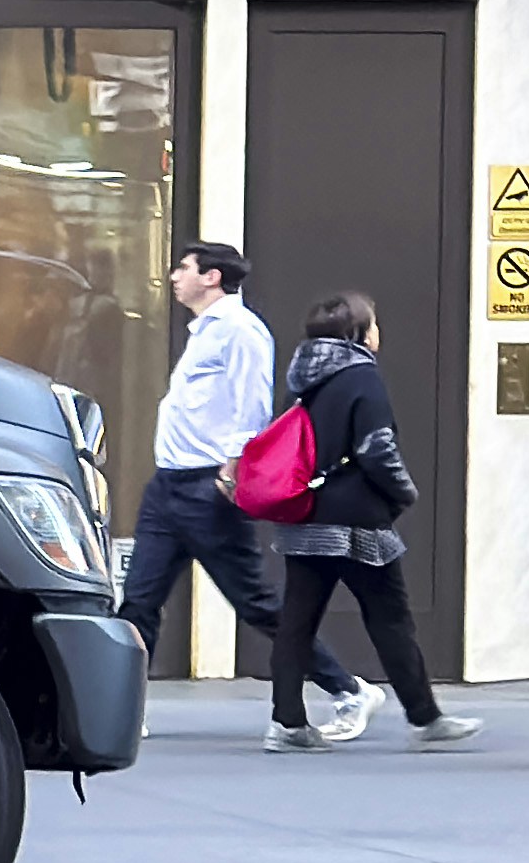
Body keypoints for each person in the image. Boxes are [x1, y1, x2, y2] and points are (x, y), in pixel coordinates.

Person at [124, 239, 360, 722]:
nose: (174, 276)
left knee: (255, 602)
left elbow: (251, 404)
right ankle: (124, 709)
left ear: (211, 277)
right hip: (167, 487)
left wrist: (233, 470)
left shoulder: (240, 331)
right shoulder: (205, 331)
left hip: (207, 487)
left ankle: (347, 688)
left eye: (183, 268)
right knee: (139, 599)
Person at [262, 287, 479, 749]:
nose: (379, 332)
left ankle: (287, 723)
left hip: (306, 514)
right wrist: (404, 492)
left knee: (297, 622)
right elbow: (377, 449)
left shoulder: (304, 376)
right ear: (358, 331)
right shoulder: (361, 376)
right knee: (389, 618)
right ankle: (424, 716)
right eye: (374, 323)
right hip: (357, 521)